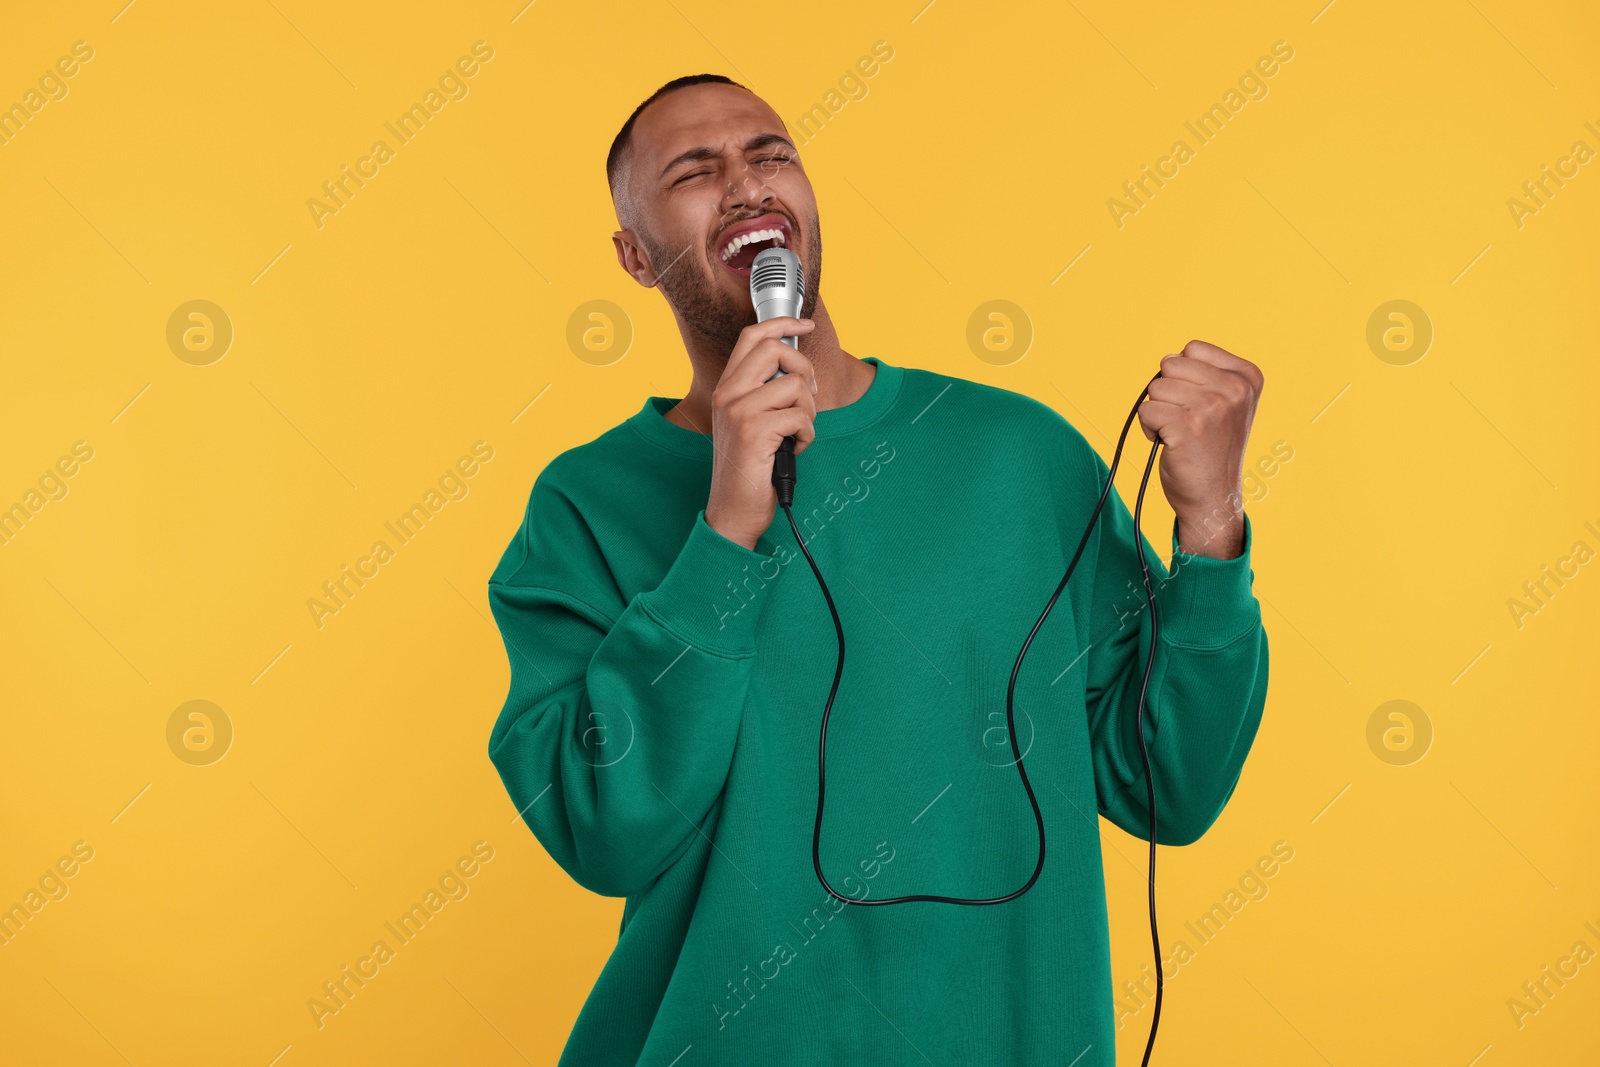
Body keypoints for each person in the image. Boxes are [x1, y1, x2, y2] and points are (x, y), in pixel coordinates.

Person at [486, 73, 1270, 1067]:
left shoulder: (1018, 456)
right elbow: (604, 829)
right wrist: (725, 525)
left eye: (771, 156)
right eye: (694, 171)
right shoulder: (588, 501)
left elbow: (1168, 787)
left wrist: (1208, 525)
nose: (745, 187)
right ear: (634, 255)